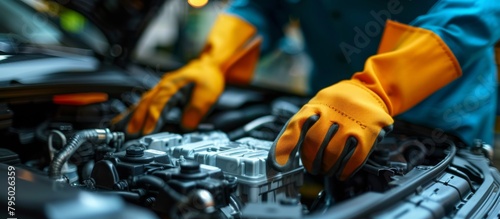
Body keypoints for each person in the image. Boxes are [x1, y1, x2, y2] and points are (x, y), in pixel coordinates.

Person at [113, 0, 500, 180]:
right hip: (327, 107)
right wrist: (215, 62)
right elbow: (263, 7)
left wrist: (379, 88)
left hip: (442, 118)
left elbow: (474, 9)